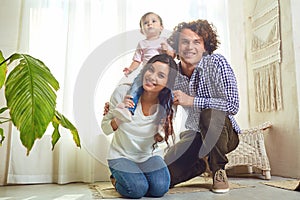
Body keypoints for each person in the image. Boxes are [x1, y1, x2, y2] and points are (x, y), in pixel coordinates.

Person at [164, 19, 240, 194]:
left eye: (196, 42)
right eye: (184, 41)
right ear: (177, 46)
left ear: (205, 47)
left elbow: (233, 104)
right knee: (165, 176)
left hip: (224, 134)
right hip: (194, 136)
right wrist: (122, 103)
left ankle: (218, 170)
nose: (190, 47)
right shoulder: (173, 72)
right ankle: (200, 164)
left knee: (210, 113)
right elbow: (151, 88)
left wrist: (192, 100)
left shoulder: (216, 63)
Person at [101, 54, 178, 199]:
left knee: (160, 188)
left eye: (161, 75)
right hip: (121, 156)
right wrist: (119, 117)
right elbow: (105, 128)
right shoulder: (123, 93)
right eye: (150, 70)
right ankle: (117, 179)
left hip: (149, 156)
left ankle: (136, 175)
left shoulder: (168, 104)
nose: (152, 77)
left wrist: (163, 130)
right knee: (137, 189)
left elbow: (160, 139)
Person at [112, 12, 174, 123]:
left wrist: (166, 50)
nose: (150, 24)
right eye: (146, 23)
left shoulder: (164, 40)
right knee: (135, 88)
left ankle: (165, 120)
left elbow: (171, 57)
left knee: (170, 94)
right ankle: (129, 110)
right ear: (142, 30)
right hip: (146, 73)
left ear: (161, 27)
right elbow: (137, 60)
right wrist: (130, 69)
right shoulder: (142, 43)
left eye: (153, 21)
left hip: (161, 74)